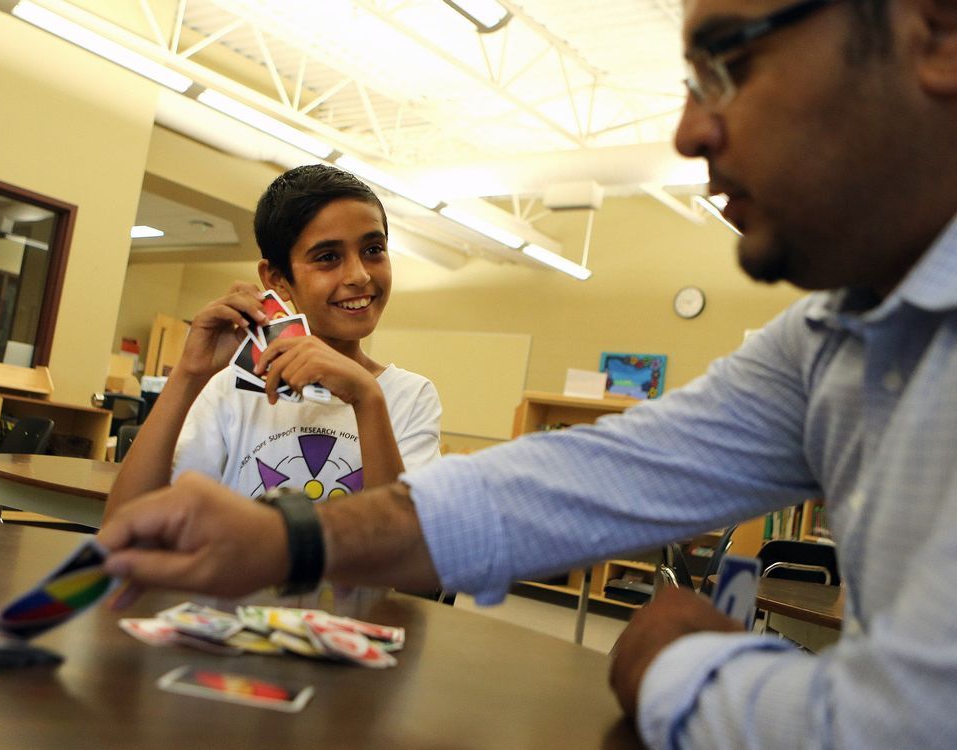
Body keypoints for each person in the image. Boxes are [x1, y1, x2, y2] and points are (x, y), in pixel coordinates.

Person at [98, 0, 957, 746]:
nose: (689, 131)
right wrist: (293, 540)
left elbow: (900, 728)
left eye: (729, 63)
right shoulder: (833, 337)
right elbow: (593, 474)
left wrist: (675, 662)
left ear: (939, 34)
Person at [105, 164, 443, 600]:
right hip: (226, 636)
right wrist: (190, 374)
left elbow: (412, 573)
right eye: (328, 257)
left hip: (347, 646)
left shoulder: (406, 396)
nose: (359, 274)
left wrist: (366, 398)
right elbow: (121, 529)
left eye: (373, 249)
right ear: (277, 279)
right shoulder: (230, 388)